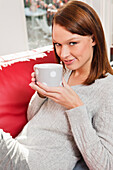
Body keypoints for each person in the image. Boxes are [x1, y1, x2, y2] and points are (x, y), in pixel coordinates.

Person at [0, 0, 113, 170]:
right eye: (58, 44)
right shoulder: (62, 72)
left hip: (34, 164)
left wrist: (75, 107)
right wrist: (41, 95)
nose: (63, 54)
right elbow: (34, 119)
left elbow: (105, 165)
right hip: (18, 150)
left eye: (72, 43)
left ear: (94, 39)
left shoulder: (107, 89)